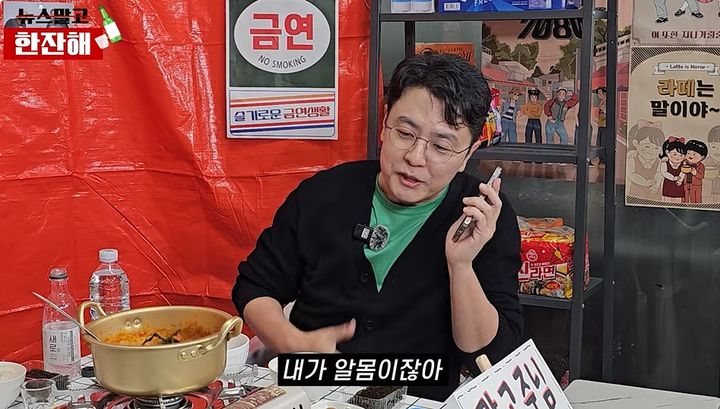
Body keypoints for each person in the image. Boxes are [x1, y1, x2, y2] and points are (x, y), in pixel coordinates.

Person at [232, 53, 523, 402]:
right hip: (311, 387)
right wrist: (291, 341)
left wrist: (461, 265)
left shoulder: (481, 216)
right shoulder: (324, 193)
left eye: (441, 146)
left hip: (416, 396)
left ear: (469, 153)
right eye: (405, 133)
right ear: (385, 121)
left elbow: (491, 354)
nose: (415, 157)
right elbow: (256, 285)